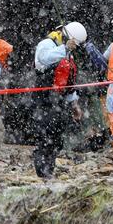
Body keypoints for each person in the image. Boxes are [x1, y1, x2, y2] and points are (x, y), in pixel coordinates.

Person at [32, 23, 85, 179]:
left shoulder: (69, 52)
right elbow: (43, 59)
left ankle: (50, 169)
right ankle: (43, 172)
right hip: (44, 99)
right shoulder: (47, 44)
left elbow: (69, 81)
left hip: (60, 101)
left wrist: (74, 104)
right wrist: (65, 49)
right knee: (45, 137)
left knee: (56, 138)